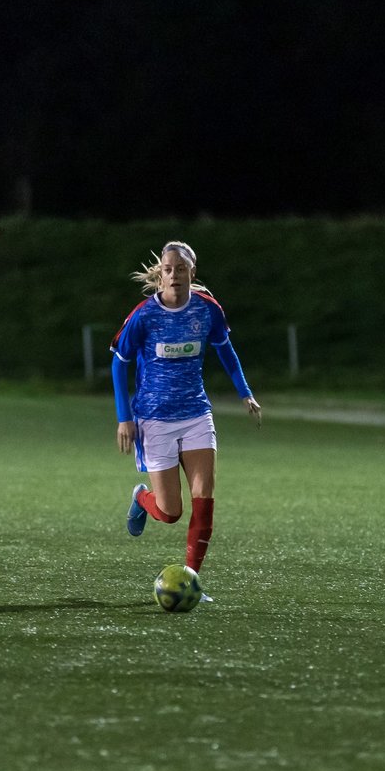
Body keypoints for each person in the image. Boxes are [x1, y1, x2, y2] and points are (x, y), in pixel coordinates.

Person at [110, 241, 261, 592]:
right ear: (160, 275)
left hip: (195, 414)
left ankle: (191, 582)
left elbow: (226, 350)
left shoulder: (207, 310)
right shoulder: (145, 315)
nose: (174, 274)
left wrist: (246, 393)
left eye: (181, 269)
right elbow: (120, 362)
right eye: (168, 269)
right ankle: (141, 499)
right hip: (154, 419)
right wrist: (124, 417)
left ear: (192, 273)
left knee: (204, 497)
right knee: (170, 512)